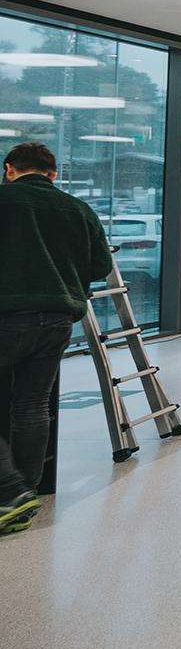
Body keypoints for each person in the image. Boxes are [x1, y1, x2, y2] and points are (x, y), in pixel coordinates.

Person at [0, 142, 114, 535]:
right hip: (58, 321)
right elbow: (100, 265)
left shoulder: (4, 199)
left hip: (8, 316)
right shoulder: (77, 209)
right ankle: (26, 493)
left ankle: (10, 490)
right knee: (31, 406)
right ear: (53, 174)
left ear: (10, 169)